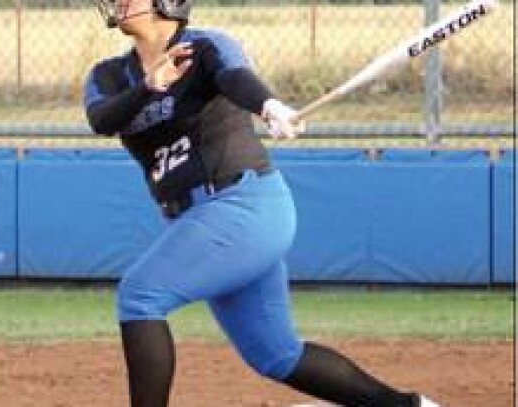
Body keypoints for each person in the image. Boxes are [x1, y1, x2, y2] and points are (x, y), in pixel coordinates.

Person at [83, 1, 441, 406]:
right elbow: (102, 119)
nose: (118, 2)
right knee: (278, 355)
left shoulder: (204, 47)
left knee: (140, 296)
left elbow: (236, 78)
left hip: (243, 205)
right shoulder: (109, 75)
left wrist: (270, 107)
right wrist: (149, 85)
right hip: (200, 220)